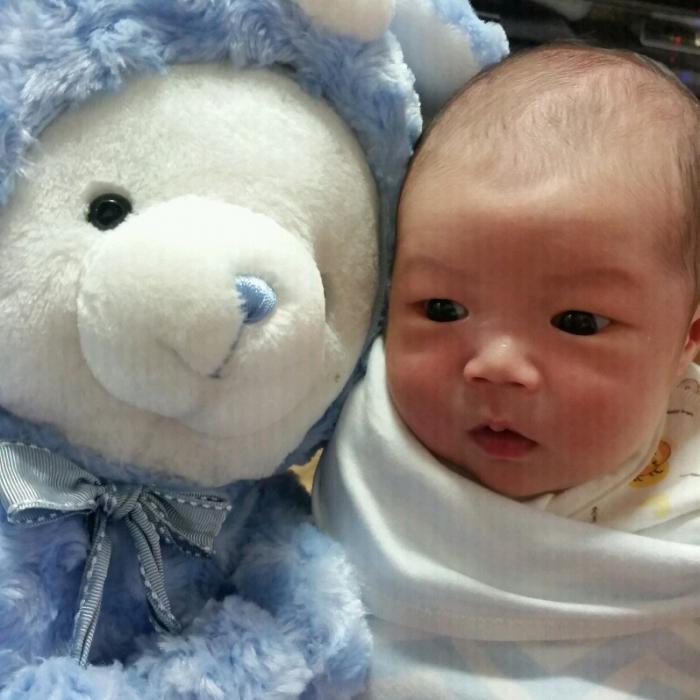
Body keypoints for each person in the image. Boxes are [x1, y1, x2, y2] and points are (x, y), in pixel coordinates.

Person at [313, 43, 700, 699]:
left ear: (687, 340)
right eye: (442, 309)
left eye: (576, 322)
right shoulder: (363, 438)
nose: (495, 367)